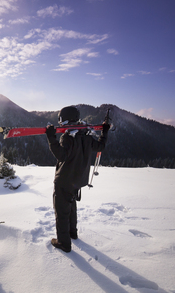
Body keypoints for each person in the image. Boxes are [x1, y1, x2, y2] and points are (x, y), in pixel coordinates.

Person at [45, 106, 110, 253]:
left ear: (65, 120)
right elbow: (100, 146)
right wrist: (104, 132)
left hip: (64, 181)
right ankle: (72, 233)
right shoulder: (86, 135)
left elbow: (61, 155)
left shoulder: (68, 137)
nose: (60, 124)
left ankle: (64, 243)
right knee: (72, 206)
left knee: (62, 211)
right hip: (77, 180)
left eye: (61, 120)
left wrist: (51, 138)